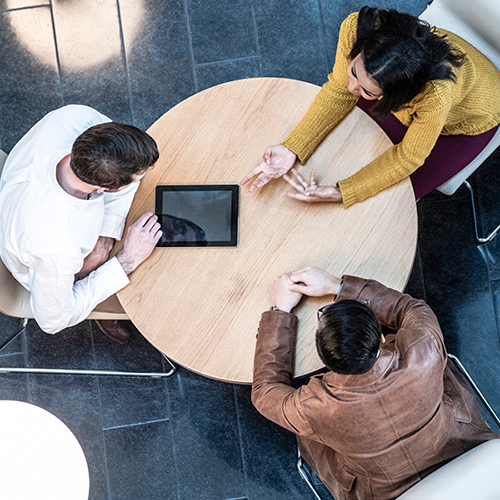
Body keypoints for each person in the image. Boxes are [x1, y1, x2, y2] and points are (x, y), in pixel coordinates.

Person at [252, 266, 499, 499]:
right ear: (381, 338)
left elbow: (265, 392)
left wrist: (280, 312)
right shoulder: (424, 348)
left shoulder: (312, 407)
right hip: (462, 445)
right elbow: (410, 308)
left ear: (325, 358)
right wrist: (335, 285)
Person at [241, 6, 500, 208]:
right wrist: (292, 148)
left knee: (396, 197)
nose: (352, 88)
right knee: (342, 141)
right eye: (354, 71)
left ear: (398, 97)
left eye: (366, 91)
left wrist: (343, 192)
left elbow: (408, 157)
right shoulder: (357, 28)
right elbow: (339, 90)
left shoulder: (435, 96)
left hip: (467, 120)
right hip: (405, 93)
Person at [0, 104, 162, 343]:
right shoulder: (58, 245)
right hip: (47, 271)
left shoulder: (74, 118)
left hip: (20, 210)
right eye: (136, 176)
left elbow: (118, 170)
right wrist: (127, 259)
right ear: (103, 189)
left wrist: (104, 240)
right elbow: (53, 321)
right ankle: (106, 307)